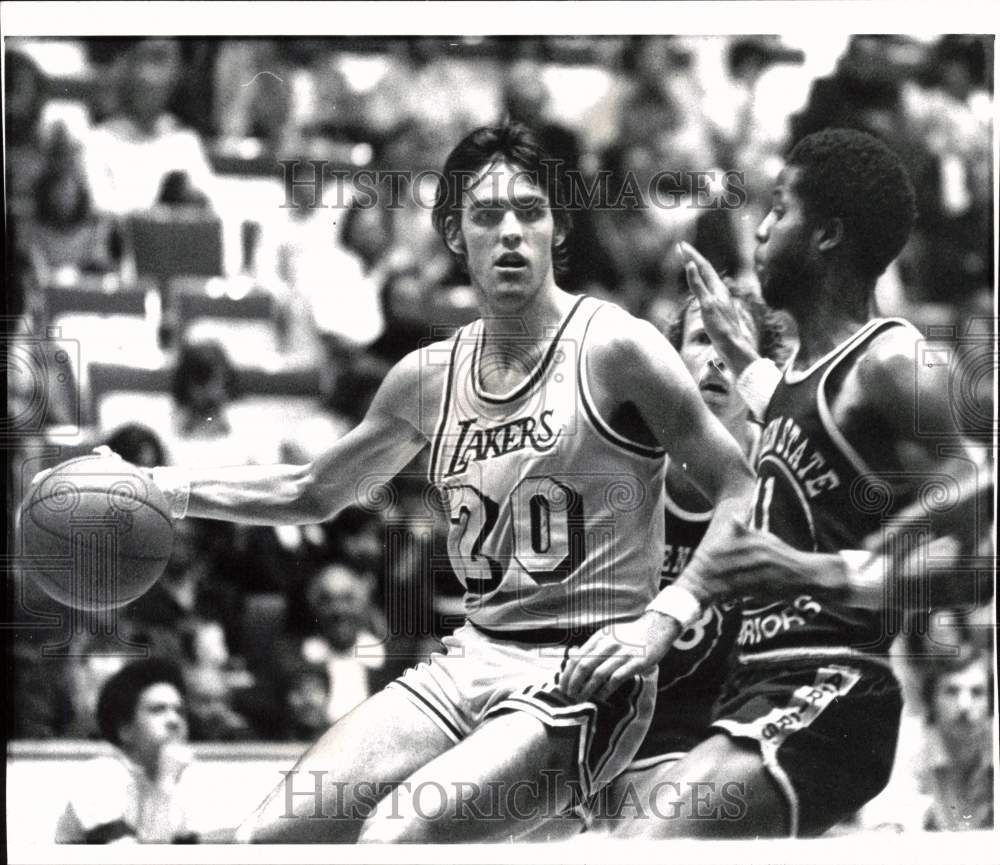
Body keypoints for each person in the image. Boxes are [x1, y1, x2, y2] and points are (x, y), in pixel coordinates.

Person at [131, 123, 756, 843]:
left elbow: (738, 487)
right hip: (472, 656)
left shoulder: (617, 347)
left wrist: (663, 617)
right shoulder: (428, 377)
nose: (511, 231)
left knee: (395, 835)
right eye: (487, 215)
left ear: (558, 228)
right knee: (266, 837)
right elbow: (312, 491)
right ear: (455, 234)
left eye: (530, 211)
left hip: (584, 673)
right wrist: (164, 487)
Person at [560, 127, 988, 837]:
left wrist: (825, 573)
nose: (758, 229)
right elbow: (805, 429)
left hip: (834, 685)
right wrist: (738, 355)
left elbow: (979, 535)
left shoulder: (891, 359)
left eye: (779, 209)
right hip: (759, 685)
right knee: (623, 833)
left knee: (645, 841)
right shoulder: (796, 381)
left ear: (827, 235)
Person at [591, 287, 789, 831]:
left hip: (721, 728)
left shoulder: (783, 480)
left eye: (734, 343)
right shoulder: (622, 463)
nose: (718, 359)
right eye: (703, 339)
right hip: (613, 718)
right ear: (671, 357)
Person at [54, 658, 200, 843]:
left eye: (179, 711)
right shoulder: (100, 776)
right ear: (125, 729)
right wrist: (165, 784)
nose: (174, 720)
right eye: (157, 710)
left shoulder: (177, 781)